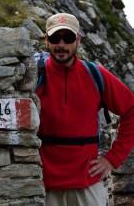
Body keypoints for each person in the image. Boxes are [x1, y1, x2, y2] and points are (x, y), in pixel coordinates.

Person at [36, 12, 134, 206]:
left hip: (86, 183)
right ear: (46, 40)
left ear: (78, 40)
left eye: (68, 38)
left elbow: (131, 109)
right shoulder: (34, 75)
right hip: (43, 184)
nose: (61, 45)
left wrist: (112, 159)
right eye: (55, 38)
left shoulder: (95, 75)